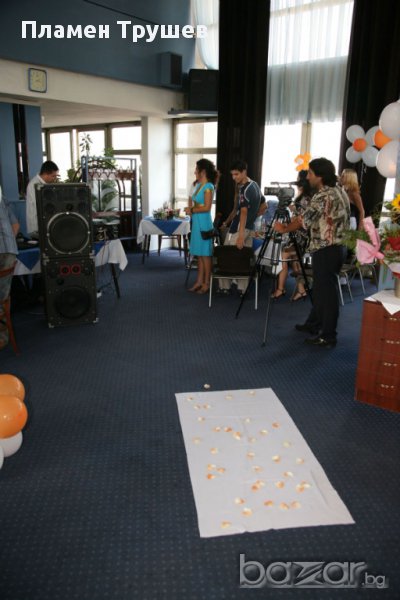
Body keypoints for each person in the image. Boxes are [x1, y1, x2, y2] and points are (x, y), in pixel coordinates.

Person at [274, 158, 350, 348]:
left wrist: (284, 229)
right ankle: (314, 323)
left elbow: (303, 221)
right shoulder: (339, 190)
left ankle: (328, 335)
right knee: (321, 289)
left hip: (327, 248)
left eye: (310, 173)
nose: (307, 177)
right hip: (338, 247)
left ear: (319, 176)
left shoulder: (323, 195)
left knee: (327, 294)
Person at [219, 159, 263, 293]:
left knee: (228, 257)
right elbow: (264, 205)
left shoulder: (245, 189)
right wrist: (251, 219)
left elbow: (243, 212)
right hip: (248, 227)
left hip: (239, 229)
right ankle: (243, 289)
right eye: (232, 174)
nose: (234, 177)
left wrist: (241, 235)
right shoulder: (255, 185)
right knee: (244, 259)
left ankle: (224, 287)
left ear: (244, 172)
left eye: (236, 174)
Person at [271, 170, 312, 300]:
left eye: (298, 179)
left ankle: (280, 289)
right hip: (299, 234)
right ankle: (301, 290)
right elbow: (297, 211)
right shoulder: (305, 196)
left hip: (302, 235)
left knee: (284, 255)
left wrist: (285, 227)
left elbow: (300, 218)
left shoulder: (306, 198)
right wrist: (288, 203)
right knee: (295, 260)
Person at [185, 158, 218, 294]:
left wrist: (192, 210)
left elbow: (207, 207)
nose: (195, 172)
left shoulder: (208, 186)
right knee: (199, 254)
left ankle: (207, 283)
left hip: (204, 223)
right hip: (197, 222)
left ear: (203, 172)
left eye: (196, 170)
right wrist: (191, 210)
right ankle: (199, 281)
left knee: (205, 255)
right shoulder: (199, 185)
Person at [0, 186, 19, 350]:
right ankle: (3, 336)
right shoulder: (2, 199)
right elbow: (16, 226)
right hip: (10, 252)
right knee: (3, 297)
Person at [26, 160, 59, 237]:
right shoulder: (34, 185)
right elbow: (40, 205)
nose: (54, 179)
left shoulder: (44, 184)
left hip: (42, 225)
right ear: (45, 174)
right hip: (36, 227)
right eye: (53, 176)